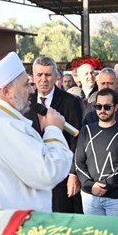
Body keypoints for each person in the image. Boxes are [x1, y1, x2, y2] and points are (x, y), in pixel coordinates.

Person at [0, 52, 73, 212]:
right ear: (7, 91)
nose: (32, 91)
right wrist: (53, 130)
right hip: (6, 228)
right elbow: (49, 172)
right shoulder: (5, 127)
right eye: (26, 85)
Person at [25, 56, 83, 213]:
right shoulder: (25, 102)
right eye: (39, 75)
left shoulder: (70, 101)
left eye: (48, 75)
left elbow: (77, 140)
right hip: (33, 175)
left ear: (57, 76)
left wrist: (73, 173)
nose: (43, 79)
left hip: (61, 174)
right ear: (33, 76)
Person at [75, 88, 118, 217]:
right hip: (90, 196)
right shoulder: (86, 130)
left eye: (107, 107)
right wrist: (90, 186)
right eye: (98, 106)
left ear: (116, 107)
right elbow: (78, 161)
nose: (102, 110)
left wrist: (105, 185)